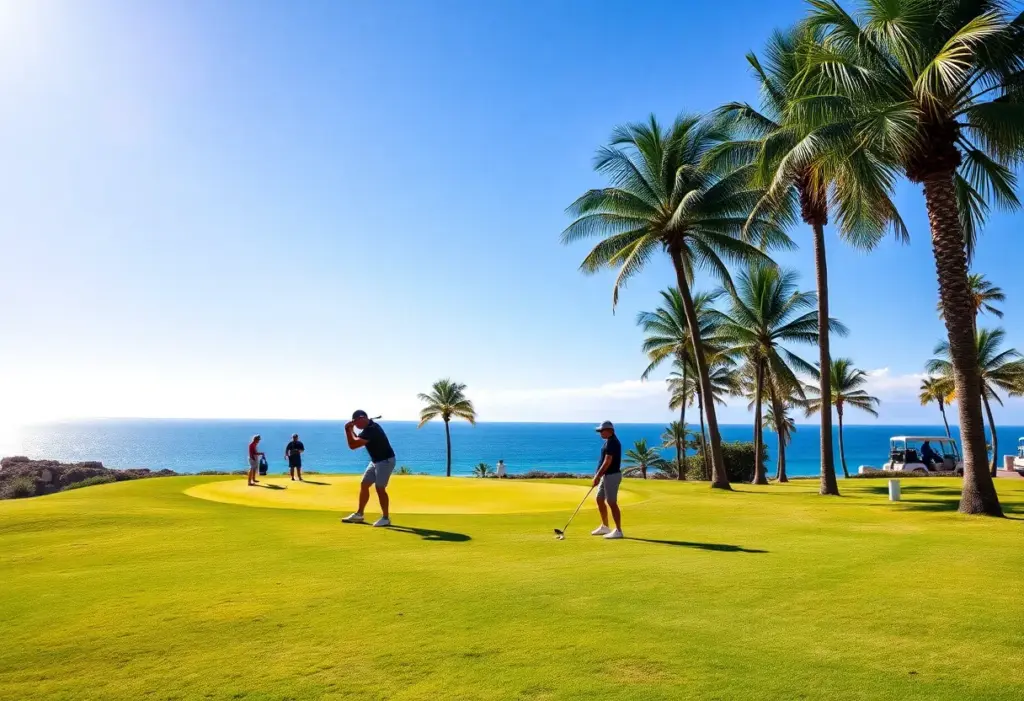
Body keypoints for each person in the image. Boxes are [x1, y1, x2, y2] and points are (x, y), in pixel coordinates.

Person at [341, 411, 396, 527]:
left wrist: (347, 430)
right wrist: (351, 430)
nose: (356, 426)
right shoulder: (368, 428)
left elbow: (353, 445)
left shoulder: (372, 430)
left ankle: (386, 518)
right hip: (375, 461)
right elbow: (356, 438)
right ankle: (359, 514)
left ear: (362, 418)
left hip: (385, 461)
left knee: (380, 487)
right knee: (364, 484)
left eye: (356, 423)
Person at [591, 421, 623, 539]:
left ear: (610, 430)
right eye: (599, 431)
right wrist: (599, 475)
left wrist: (598, 475)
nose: (600, 433)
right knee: (599, 499)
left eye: (602, 430)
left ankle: (618, 530)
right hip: (606, 476)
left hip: (612, 475)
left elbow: (607, 461)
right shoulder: (608, 442)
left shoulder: (612, 443)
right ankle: (605, 526)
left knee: (611, 502)